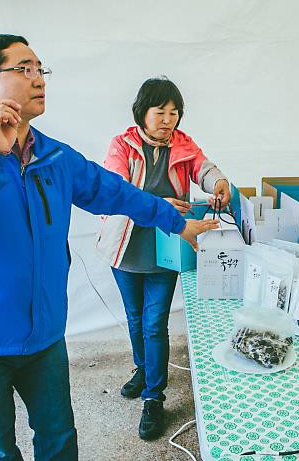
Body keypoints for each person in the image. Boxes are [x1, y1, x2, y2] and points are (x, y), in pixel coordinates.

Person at [0, 34, 217, 461]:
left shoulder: (54, 157)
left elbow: (120, 193)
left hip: (43, 336)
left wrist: (178, 223)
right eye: (24, 69)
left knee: (60, 441)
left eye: (41, 70)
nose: (39, 80)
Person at [96, 77, 231, 441]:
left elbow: (204, 167)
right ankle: (144, 369)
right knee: (135, 318)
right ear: (143, 111)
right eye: (161, 111)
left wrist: (219, 181)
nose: (168, 119)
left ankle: (153, 397)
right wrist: (157, 206)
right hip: (126, 244)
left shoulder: (182, 144)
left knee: (155, 322)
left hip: (167, 247)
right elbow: (115, 190)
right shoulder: (121, 145)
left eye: (174, 112)